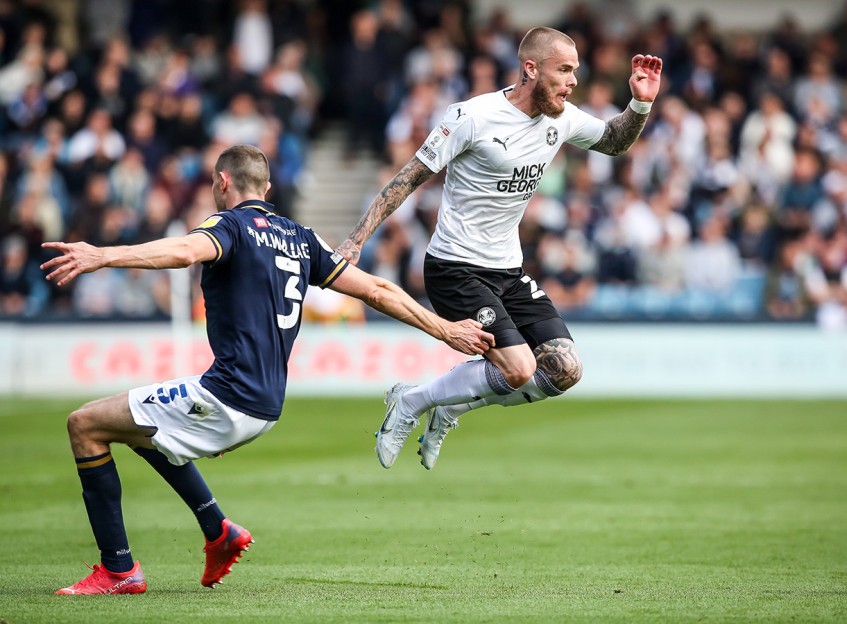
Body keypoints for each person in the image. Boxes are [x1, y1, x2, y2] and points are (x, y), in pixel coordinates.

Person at [41, 144, 493, 595]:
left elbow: (183, 251)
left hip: (226, 397)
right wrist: (445, 329)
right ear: (268, 187)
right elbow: (376, 289)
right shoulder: (302, 238)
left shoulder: (229, 226)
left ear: (222, 182)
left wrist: (103, 255)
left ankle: (119, 570)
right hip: (266, 405)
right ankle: (218, 530)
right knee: (139, 429)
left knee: (85, 425)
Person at [336, 27, 662, 470]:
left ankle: (448, 407)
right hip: (455, 267)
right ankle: (411, 401)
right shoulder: (472, 117)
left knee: (564, 369)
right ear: (531, 69)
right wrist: (356, 239)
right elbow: (407, 178)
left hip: (507, 270)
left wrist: (640, 103)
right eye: (564, 70)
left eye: (575, 71)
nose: (573, 82)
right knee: (520, 368)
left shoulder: (561, 118)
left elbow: (614, 141)